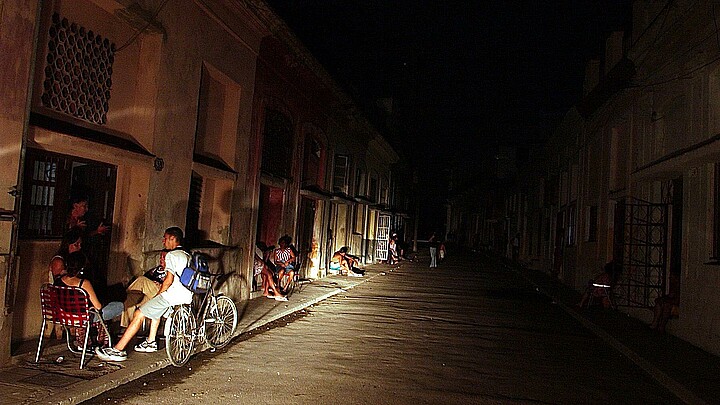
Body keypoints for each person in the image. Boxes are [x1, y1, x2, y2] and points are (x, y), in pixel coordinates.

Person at [96, 227, 193, 361]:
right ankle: (151, 342)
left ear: (172, 239)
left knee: (138, 314)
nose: (163, 241)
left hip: (171, 296)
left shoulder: (172, 255)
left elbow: (168, 281)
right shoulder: (187, 254)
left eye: (165, 238)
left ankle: (118, 350)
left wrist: (159, 295)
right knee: (154, 310)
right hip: (185, 296)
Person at [55, 251, 123, 348]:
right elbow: (98, 306)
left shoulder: (58, 281)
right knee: (118, 306)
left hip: (63, 316)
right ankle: (103, 340)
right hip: (82, 317)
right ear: (82, 268)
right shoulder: (83, 283)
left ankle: (91, 339)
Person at [121, 250, 168, 328]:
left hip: (161, 293)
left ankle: (122, 293)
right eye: (161, 257)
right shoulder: (155, 270)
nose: (161, 259)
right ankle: (130, 327)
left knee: (142, 280)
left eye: (164, 257)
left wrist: (161, 284)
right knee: (129, 298)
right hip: (149, 295)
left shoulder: (171, 271)